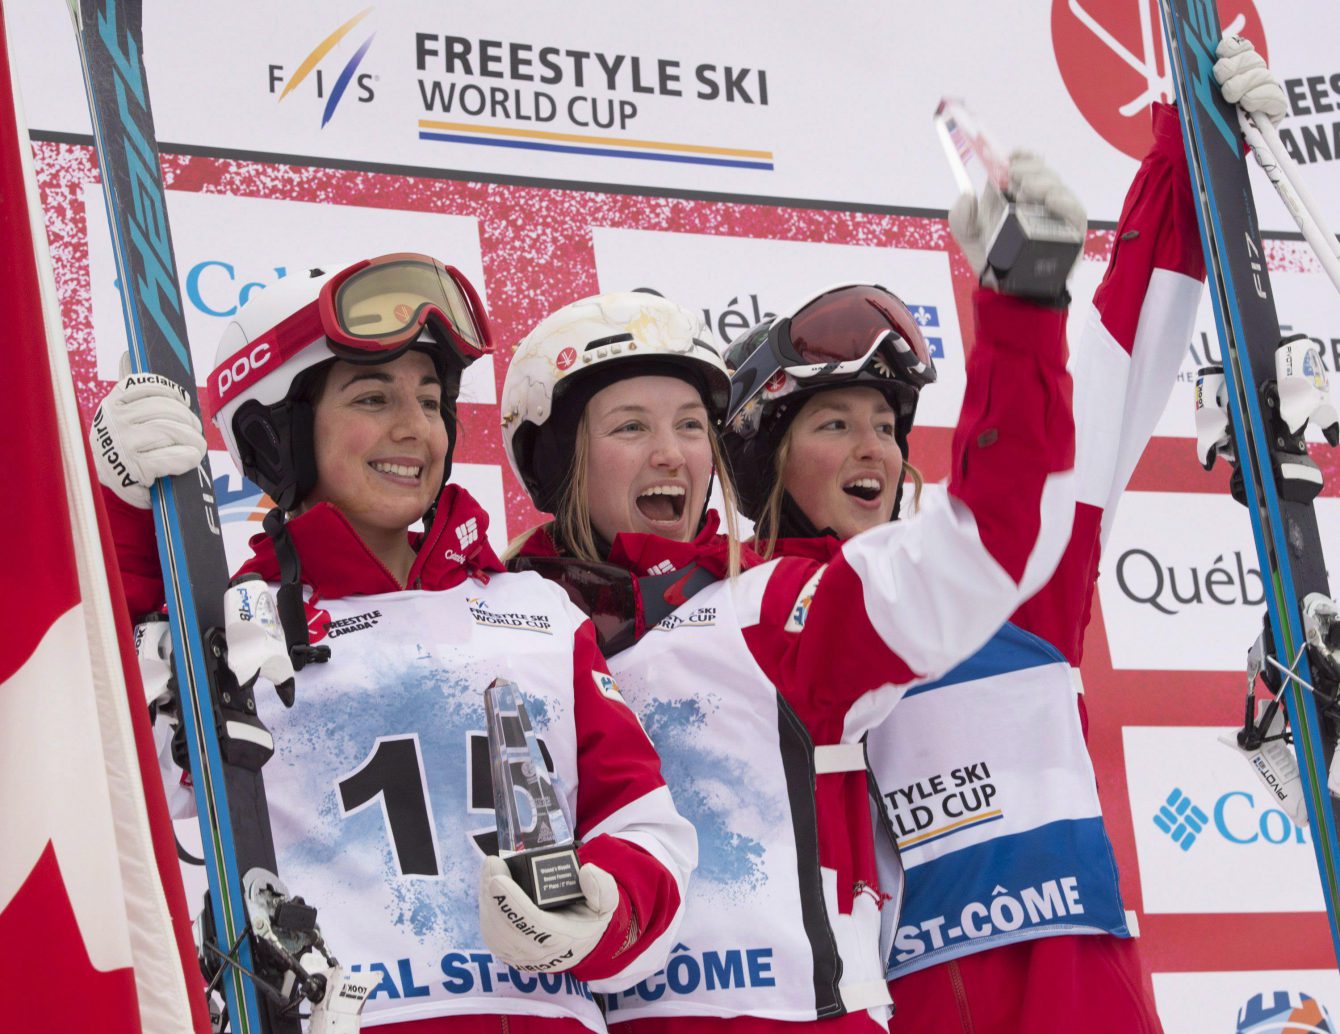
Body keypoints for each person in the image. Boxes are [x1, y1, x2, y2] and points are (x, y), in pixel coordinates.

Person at [719, 36, 1285, 1034]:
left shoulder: (1015, 568)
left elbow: (1121, 340)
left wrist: (1194, 147)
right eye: (832, 422)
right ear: (767, 457)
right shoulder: (744, 637)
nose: (874, 448)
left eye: (886, 425)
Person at [497, 150, 1083, 1031]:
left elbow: (990, 542)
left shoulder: (768, 604)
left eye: (693, 425)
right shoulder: (507, 625)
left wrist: (1024, 309)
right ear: (556, 460)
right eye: (631, 426)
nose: (673, 454)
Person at [91, 253, 696, 1033]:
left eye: (433, 400)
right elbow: (98, 714)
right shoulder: (229, 625)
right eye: (374, 397)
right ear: (276, 433)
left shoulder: (538, 612)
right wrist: (123, 508)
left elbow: (642, 825)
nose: (415, 430)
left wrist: (604, 906)